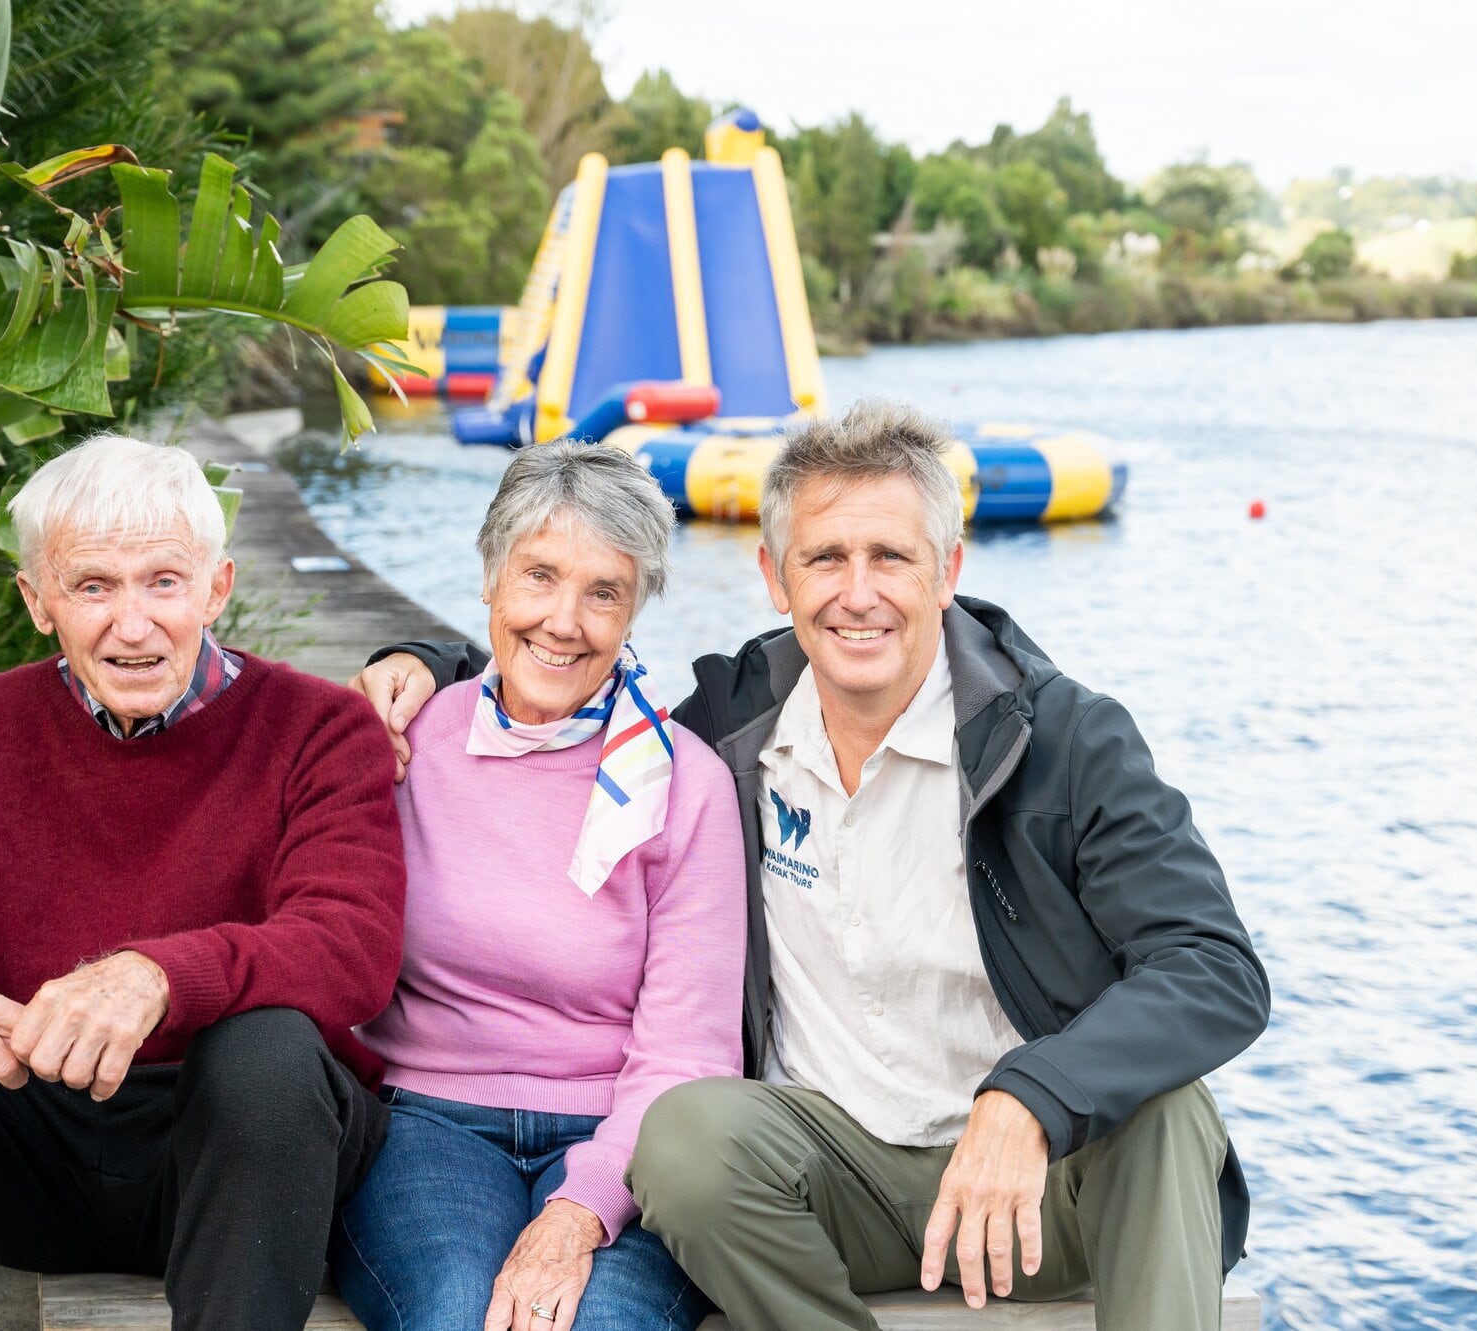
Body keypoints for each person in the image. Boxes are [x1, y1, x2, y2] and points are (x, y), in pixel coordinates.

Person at [355, 401, 1271, 1331]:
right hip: (835, 1184)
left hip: (1038, 1188)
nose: (857, 592)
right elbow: (550, 682)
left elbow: (1216, 970)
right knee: (685, 1141)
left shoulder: (1065, 741)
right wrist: (423, 661)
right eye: (826, 559)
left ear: (947, 570)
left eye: (892, 557)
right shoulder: (732, 727)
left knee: (1170, 1114)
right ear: (775, 578)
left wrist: (1035, 1094)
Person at [0, 435, 406, 1331]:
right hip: (31, 1136)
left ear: (218, 587)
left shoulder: (319, 728)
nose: (133, 623)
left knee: (268, 1052)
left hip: (242, 1154)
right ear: (37, 600)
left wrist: (156, 976)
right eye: (93, 586)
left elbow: (349, 946)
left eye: (164, 581)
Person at [332, 443, 745, 1331]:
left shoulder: (685, 784)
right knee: (450, 1313)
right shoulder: (403, 741)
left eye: (604, 592)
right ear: (489, 577)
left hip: (630, 1143)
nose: (564, 620)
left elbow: (689, 1050)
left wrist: (581, 1206)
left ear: (635, 610)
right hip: (427, 1124)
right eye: (540, 575)